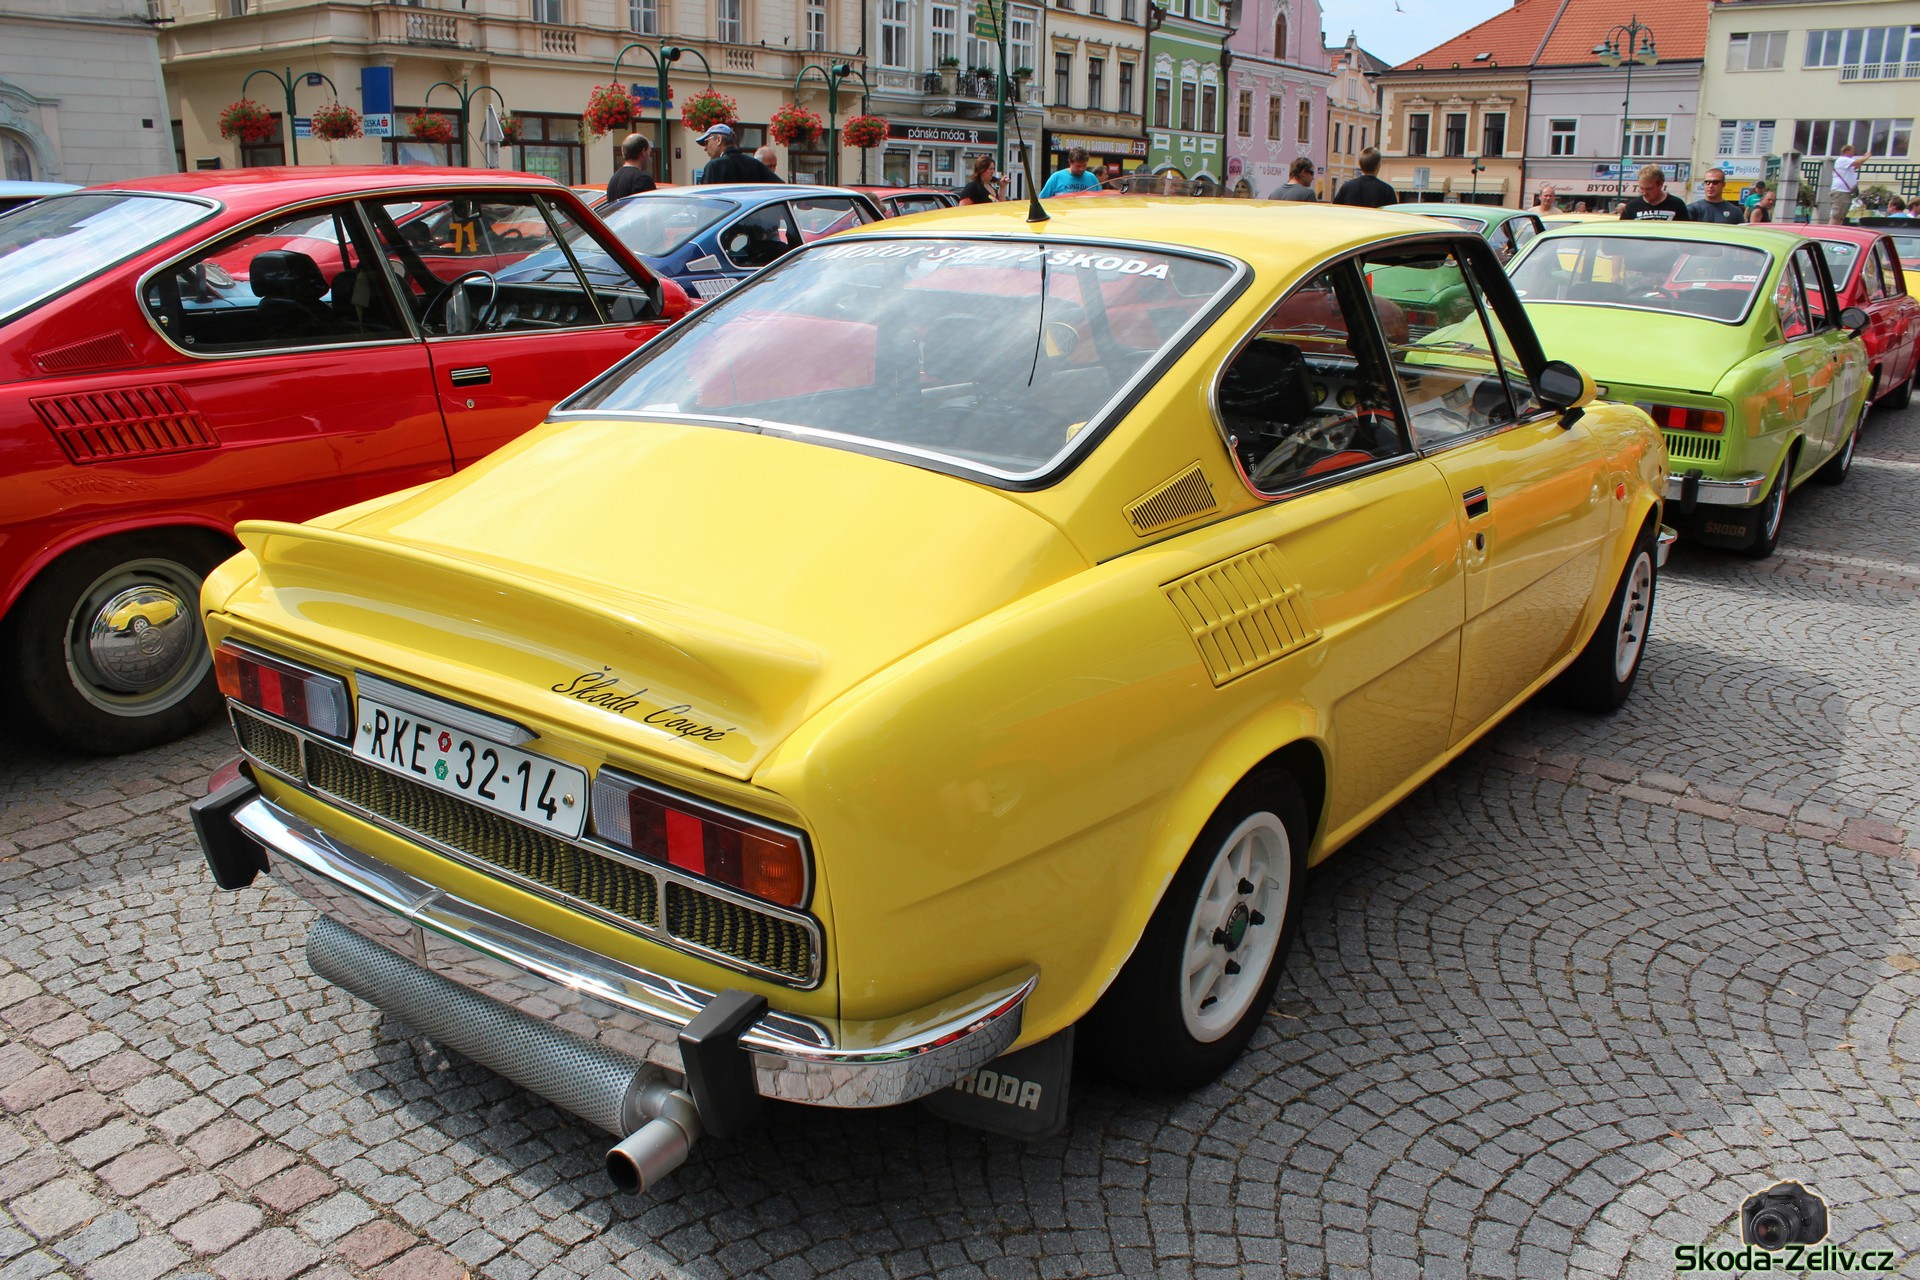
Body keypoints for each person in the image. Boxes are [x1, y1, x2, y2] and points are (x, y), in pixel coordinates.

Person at [692, 124, 780, 184]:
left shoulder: (714, 166)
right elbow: (780, 187)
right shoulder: (754, 164)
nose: (705, 148)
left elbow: (707, 200)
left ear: (719, 139)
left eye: (706, 142)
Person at [1619, 164, 1689, 221]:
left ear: (1661, 184)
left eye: (1649, 189)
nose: (1644, 193)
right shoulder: (1632, 206)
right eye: (1641, 188)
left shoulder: (1677, 205)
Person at [1331, 147, 1397, 208]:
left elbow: (1336, 208)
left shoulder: (1347, 187)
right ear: (1378, 165)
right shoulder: (1387, 190)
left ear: (1360, 165)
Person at [605, 134, 657, 201]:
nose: (649, 158)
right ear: (643, 151)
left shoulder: (614, 179)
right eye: (649, 152)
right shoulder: (642, 179)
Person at [1829, 144, 1860, 223]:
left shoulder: (1847, 162)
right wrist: (1867, 156)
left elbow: (1857, 165)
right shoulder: (1843, 160)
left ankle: (1837, 229)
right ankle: (1831, 229)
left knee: (1841, 217)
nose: (1853, 153)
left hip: (1846, 192)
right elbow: (1858, 162)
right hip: (1841, 191)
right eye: (1852, 151)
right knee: (1836, 216)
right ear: (1846, 151)